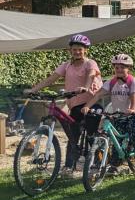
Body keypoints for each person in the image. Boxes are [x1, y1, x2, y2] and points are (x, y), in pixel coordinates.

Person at [25, 34, 102, 173]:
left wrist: (85, 86)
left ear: (85, 50)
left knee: (91, 134)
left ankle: (98, 161)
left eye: (80, 49)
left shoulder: (90, 63)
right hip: (74, 103)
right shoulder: (66, 65)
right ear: (70, 50)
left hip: (90, 102)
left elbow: (91, 75)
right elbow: (51, 79)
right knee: (73, 135)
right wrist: (33, 90)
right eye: (74, 49)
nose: (77, 52)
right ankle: (68, 166)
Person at [82, 54, 135, 175]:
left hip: (134, 112)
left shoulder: (133, 81)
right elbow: (98, 94)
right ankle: (114, 165)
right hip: (118, 112)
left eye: (122, 67)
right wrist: (87, 106)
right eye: (117, 67)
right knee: (115, 139)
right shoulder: (112, 82)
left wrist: (132, 109)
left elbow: (133, 96)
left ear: (129, 68)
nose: (119, 70)